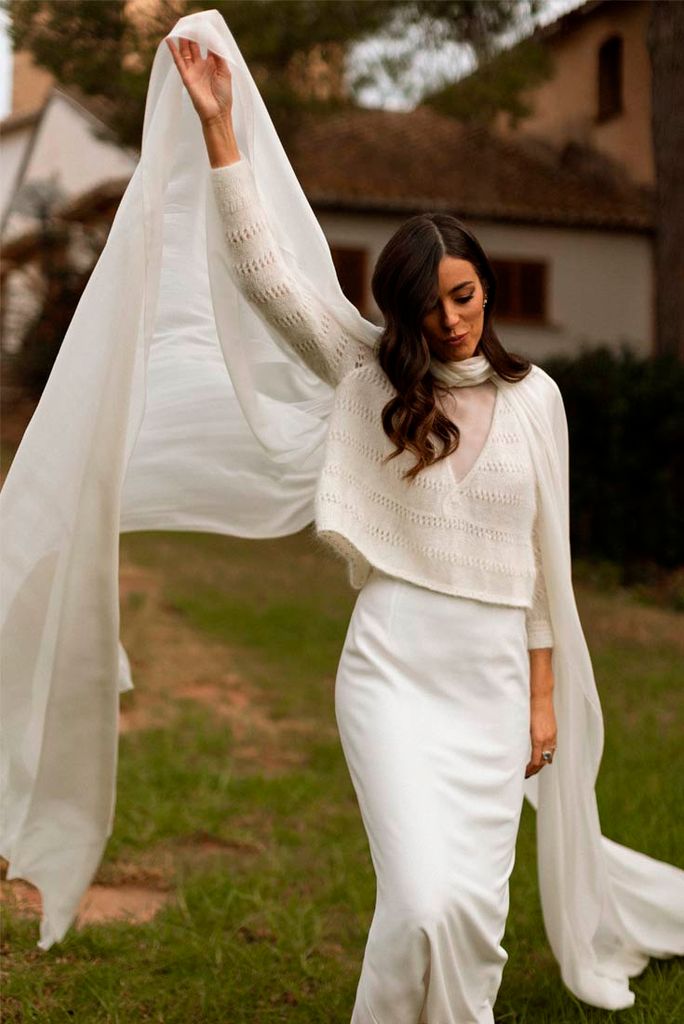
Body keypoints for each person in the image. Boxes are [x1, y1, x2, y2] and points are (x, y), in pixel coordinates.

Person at [165, 33, 560, 1024]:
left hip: (493, 686)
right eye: (431, 309)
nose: (454, 321)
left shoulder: (537, 400)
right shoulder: (373, 376)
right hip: (392, 666)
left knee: (472, 918)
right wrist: (221, 129)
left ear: (486, 284)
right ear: (405, 319)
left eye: (464, 294)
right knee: (420, 902)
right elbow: (267, 276)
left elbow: (546, 565)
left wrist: (542, 699)